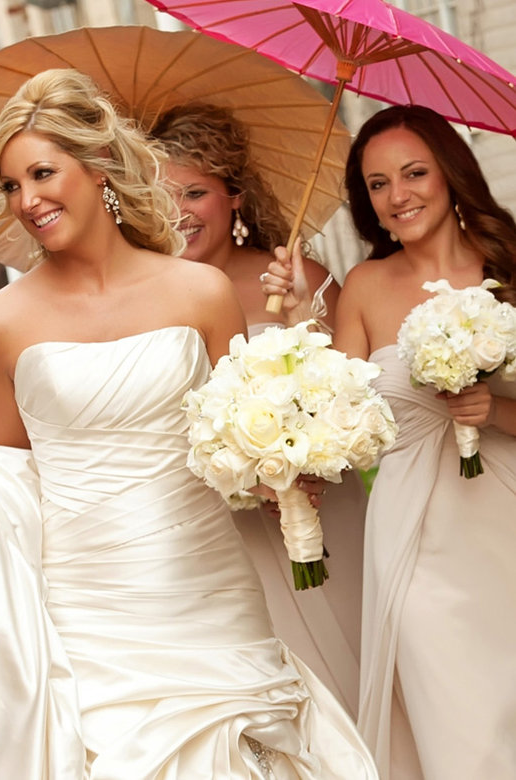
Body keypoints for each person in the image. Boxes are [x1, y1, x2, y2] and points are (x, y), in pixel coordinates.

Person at [0, 69, 377, 778]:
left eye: (41, 173)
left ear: (97, 170)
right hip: (84, 603)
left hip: (206, 581)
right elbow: (13, 478)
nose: (26, 201)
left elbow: (238, 432)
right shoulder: (0, 321)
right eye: (10, 186)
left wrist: (286, 461)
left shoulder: (199, 291)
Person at [263, 103, 516, 779]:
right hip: (415, 541)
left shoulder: (509, 264)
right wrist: (294, 324)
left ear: (450, 172)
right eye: (377, 184)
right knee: (457, 719)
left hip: (508, 518)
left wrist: (492, 410)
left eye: (412, 173)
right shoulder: (367, 288)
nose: (397, 196)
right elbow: (338, 416)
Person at [151, 103, 366, 716]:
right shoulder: (144, 299)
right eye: (162, 195)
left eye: (195, 191)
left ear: (234, 196)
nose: (178, 212)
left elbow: (357, 394)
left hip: (320, 507)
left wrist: (303, 317)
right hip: (216, 528)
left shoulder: (298, 276)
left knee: (349, 666)